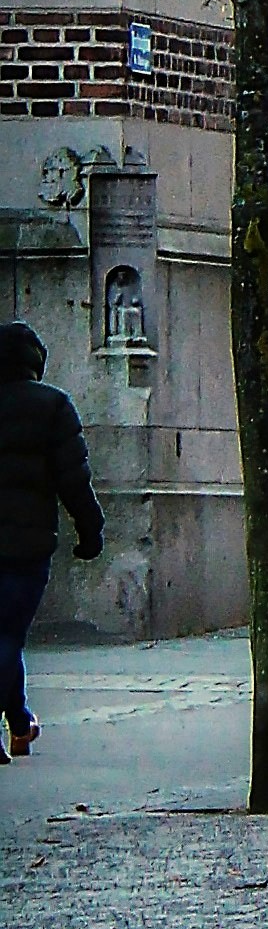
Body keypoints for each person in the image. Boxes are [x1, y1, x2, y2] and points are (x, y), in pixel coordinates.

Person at [0, 321, 104, 762]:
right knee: (7, 635)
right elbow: (73, 478)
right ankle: (19, 724)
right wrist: (90, 529)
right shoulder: (54, 406)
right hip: (26, 546)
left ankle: (20, 723)